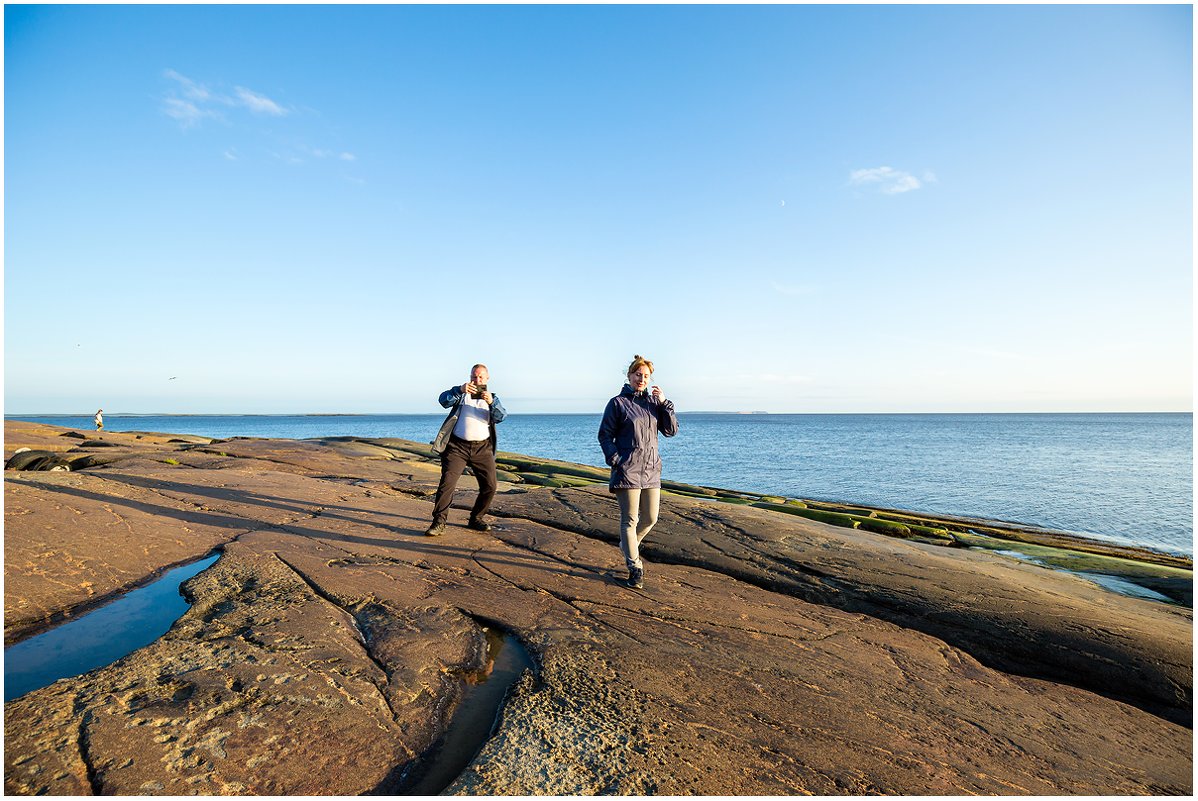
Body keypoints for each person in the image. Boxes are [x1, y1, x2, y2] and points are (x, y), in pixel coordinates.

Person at [597, 355, 678, 588]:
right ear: (629, 376)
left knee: (651, 518)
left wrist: (664, 404)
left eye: (645, 376)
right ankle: (635, 567)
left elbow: (671, 431)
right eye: (637, 375)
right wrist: (616, 460)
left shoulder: (654, 404)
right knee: (630, 520)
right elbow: (605, 435)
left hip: (651, 470)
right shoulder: (617, 403)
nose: (641, 379)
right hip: (628, 470)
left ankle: (627, 545)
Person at [427, 364, 507, 537]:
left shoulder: (493, 398)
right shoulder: (461, 394)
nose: (476, 380)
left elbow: (501, 417)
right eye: (473, 377)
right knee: (447, 484)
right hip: (457, 447)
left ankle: (476, 518)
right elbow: (443, 401)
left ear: (487, 379)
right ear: (470, 377)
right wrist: (458, 390)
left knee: (490, 486)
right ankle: (439, 522)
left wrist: (491, 402)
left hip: (482, 448)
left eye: (480, 377)